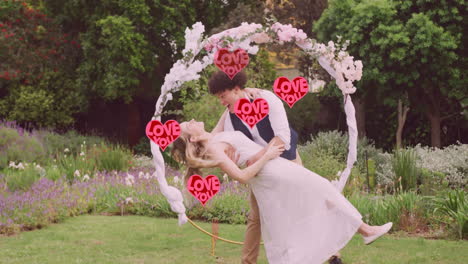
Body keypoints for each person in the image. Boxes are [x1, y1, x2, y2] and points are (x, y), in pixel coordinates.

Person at [173, 119, 393, 264]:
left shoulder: (215, 136)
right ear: (192, 138)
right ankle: (365, 231)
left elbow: (228, 106)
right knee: (322, 189)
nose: (192, 120)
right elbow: (241, 177)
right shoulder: (214, 149)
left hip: (274, 168)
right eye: (188, 124)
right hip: (270, 172)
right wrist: (267, 156)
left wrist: (248, 91)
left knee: (300, 211)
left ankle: (364, 231)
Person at [208, 70, 308, 263]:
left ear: (236, 89)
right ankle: (248, 261)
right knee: (256, 217)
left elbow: (283, 140)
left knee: (301, 208)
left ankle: (332, 253)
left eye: (223, 96)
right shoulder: (230, 119)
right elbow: (229, 145)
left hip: (288, 160)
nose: (221, 101)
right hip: (262, 170)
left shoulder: (267, 99)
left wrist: (256, 157)